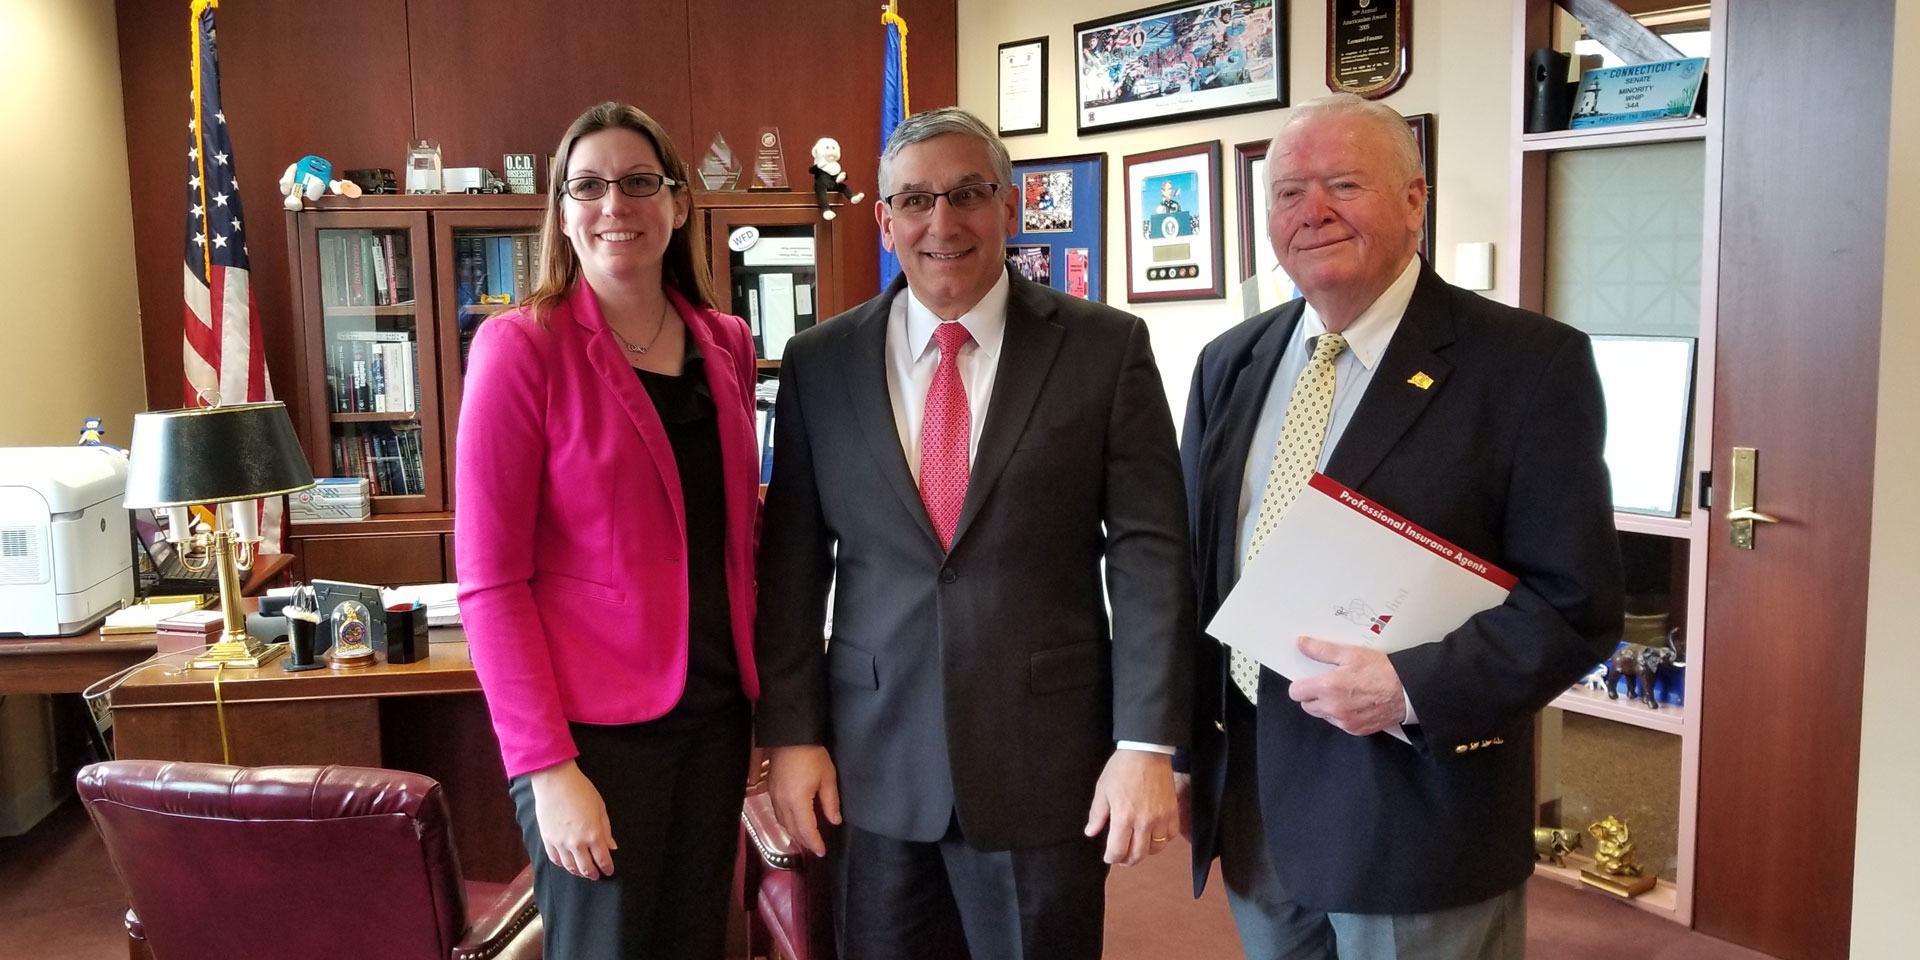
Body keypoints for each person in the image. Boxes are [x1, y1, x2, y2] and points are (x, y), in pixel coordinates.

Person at [1177, 92, 1625, 959]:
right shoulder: (1228, 363)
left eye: (1344, 183)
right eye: (1288, 192)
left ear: (1416, 200)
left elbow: (1575, 606)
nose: (1313, 212)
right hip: (1258, 803)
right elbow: (1200, 572)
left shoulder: (1528, 366)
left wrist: (1410, 687)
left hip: (1417, 808)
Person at [755, 106, 1193, 960]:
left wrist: (1145, 741)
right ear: (883, 221)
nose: (942, 222)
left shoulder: (1105, 349)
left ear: (1011, 205)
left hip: (1046, 765)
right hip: (872, 767)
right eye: (914, 200)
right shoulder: (820, 361)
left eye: (967, 194)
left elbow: (1151, 555)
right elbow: (793, 564)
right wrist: (792, 735)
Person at [455, 101, 763, 960]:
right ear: (561, 210)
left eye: (637, 182)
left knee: (697, 941)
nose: (613, 204)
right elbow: (488, 583)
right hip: (592, 738)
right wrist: (548, 770)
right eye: (587, 186)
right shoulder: (522, 348)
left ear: (677, 202)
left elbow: (741, 537)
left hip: (713, 719)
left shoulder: (724, 342)